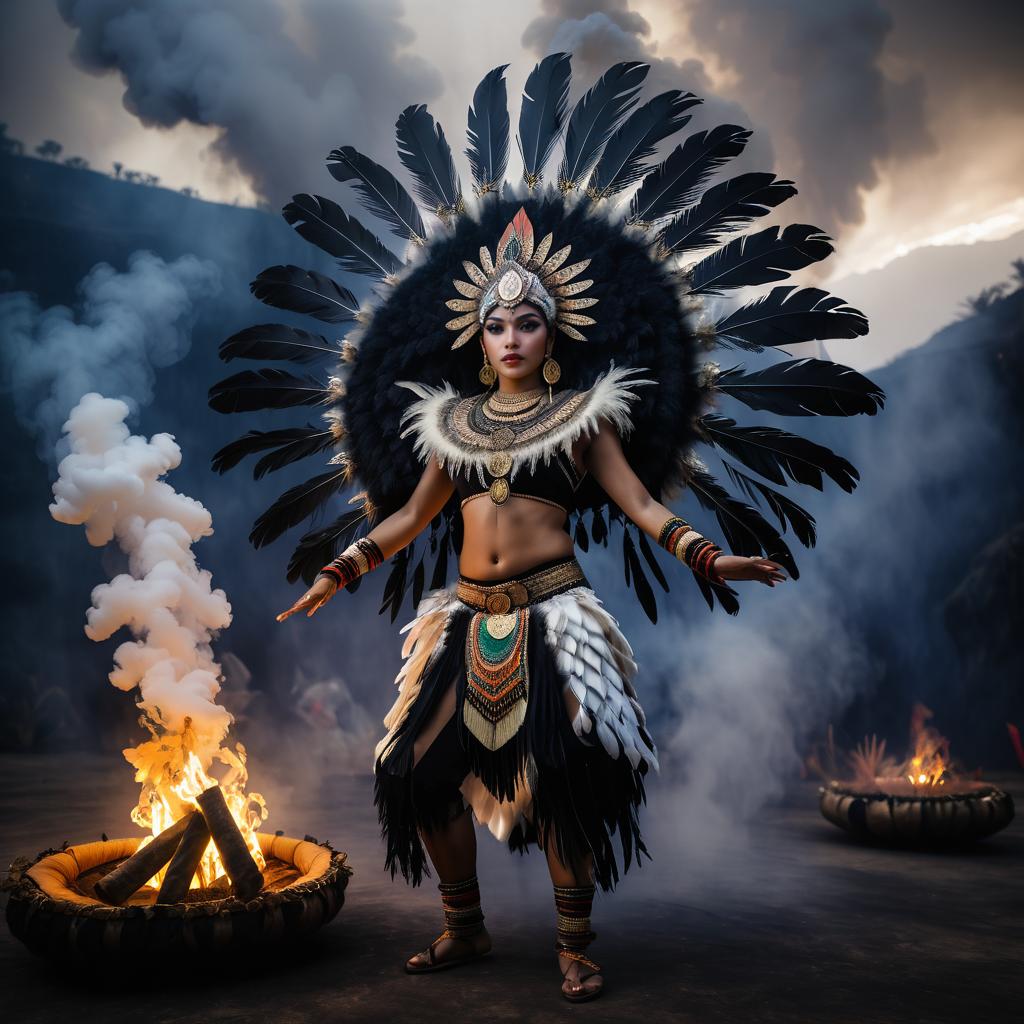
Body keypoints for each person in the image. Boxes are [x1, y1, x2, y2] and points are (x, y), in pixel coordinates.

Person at [211, 55, 885, 1003]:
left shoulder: (587, 416)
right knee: (414, 770)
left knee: (567, 777)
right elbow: (412, 513)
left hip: (553, 616)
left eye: (529, 321)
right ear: (477, 336)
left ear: (552, 331)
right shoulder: (444, 424)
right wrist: (344, 568)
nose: (514, 336)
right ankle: (466, 930)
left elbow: (643, 503)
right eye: (497, 324)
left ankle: (574, 943)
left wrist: (707, 552)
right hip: (463, 619)